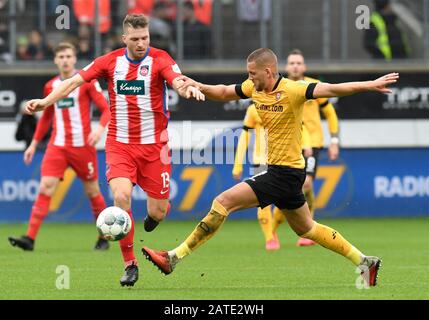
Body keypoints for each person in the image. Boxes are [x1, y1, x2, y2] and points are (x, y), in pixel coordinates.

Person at [142, 48, 399, 287]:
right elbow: (222, 92)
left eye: (252, 73)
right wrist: (198, 85)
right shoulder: (253, 88)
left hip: (284, 172)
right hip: (288, 173)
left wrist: (370, 85)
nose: (249, 78)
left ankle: (173, 257)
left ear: (268, 71)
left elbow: (333, 89)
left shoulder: (294, 89)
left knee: (223, 202)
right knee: (307, 228)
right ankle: (366, 262)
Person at [24, 14, 204, 287]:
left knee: (158, 212)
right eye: (135, 39)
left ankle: (151, 217)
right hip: (120, 145)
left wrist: (186, 88)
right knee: (121, 198)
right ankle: (130, 264)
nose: (142, 43)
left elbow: (176, 78)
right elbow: (74, 82)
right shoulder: (110, 62)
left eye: (145, 38)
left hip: (156, 147)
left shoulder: (160, 58)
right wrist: (46, 102)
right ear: (124, 39)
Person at [9, 42, 110, 252]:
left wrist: (99, 130)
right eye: (61, 56)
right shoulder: (50, 86)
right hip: (58, 146)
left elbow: (106, 110)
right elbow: (46, 117)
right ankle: (30, 238)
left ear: (74, 59)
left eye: (68, 56)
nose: (64, 60)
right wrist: (33, 144)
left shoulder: (87, 83)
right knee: (45, 187)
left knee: (92, 191)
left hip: (83, 146)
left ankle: (103, 237)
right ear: (55, 60)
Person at [271, 49, 341, 247]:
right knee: (286, 190)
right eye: (292, 63)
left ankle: (307, 229)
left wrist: (334, 141)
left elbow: (330, 113)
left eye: (298, 63)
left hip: (313, 143)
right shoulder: (279, 87)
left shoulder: (314, 87)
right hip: (289, 144)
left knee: (306, 184)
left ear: (304, 67)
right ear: (286, 67)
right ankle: (272, 231)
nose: (295, 66)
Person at [232, 103, 280, 251]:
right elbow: (244, 136)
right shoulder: (254, 109)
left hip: (284, 160)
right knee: (263, 201)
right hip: (261, 161)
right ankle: (269, 238)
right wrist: (237, 164)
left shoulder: (285, 102)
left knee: (286, 202)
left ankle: (272, 229)